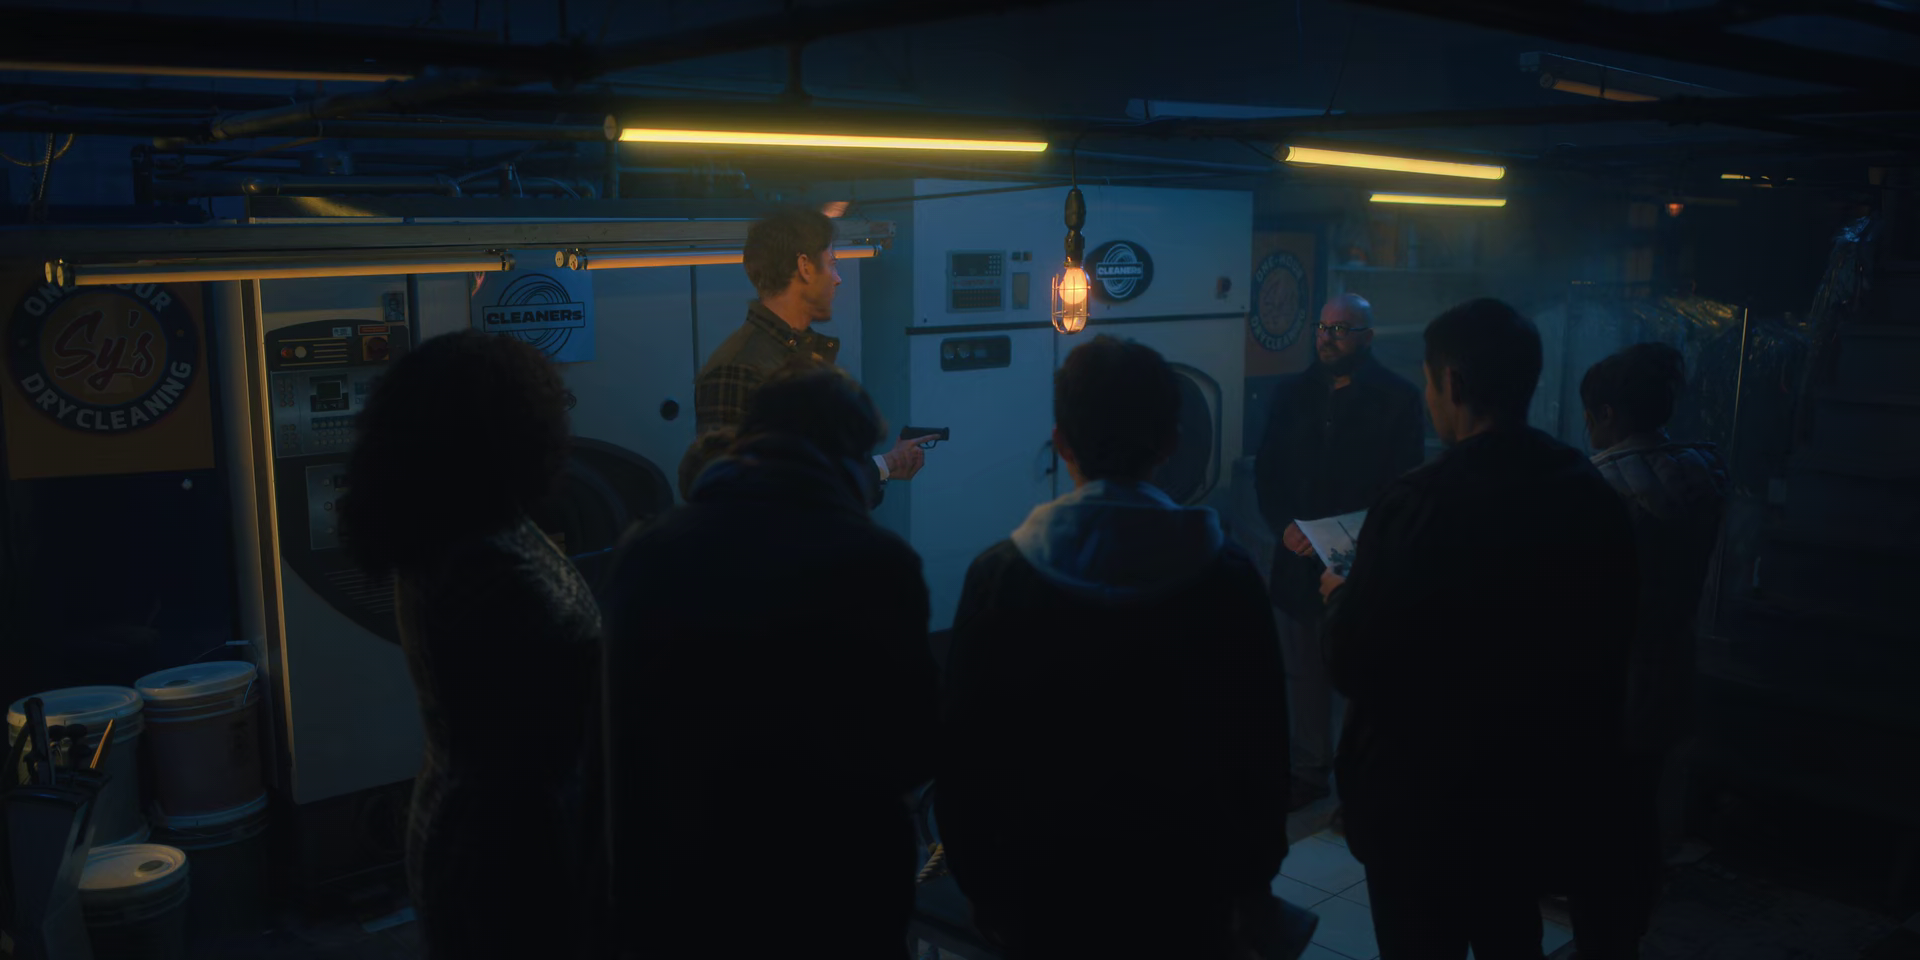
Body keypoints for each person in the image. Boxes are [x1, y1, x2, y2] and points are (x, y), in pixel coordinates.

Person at [939, 336, 1293, 960]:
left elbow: (969, 754)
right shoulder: (1227, 576)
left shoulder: (1001, 575)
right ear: (1170, 445)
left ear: (1062, 443)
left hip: (1041, 896)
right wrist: (1252, 886)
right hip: (1187, 895)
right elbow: (1258, 747)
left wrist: (984, 886)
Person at [1318, 299, 1640, 960]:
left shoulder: (1419, 502)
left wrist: (1341, 597)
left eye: (1432, 383)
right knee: (1509, 938)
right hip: (1535, 796)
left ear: (1453, 386)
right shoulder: (1586, 488)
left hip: (1422, 805)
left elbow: (1354, 660)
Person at [601, 360, 939, 959]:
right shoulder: (876, 564)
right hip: (832, 899)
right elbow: (910, 750)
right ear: (846, 462)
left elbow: (617, 740)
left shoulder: (649, 554)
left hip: (683, 888)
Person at [337, 330, 603, 959]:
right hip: (509, 860)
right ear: (502, 430)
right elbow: (538, 721)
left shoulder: (470, 520)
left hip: (488, 835)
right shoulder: (480, 563)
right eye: (546, 406)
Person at [1578, 342, 1729, 946]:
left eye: (1590, 415)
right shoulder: (1703, 469)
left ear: (1608, 414)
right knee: (1644, 812)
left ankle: (1600, 931)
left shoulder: (1600, 486)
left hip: (1611, 676)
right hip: (1673, 661)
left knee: (1598, 821)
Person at [1254, 293, 1425, 811]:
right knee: (1303, 670)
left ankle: (1362, 782)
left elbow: (1401, 482)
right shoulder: (1293, 393)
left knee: (1360, 672)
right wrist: (1285, 527)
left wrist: (1358, 536)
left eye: (1342, 329)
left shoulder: (1396, 399)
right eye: (1323, 328)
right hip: (1299, 556)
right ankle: (1309, 768)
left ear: (1367, 337)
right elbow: (1269, 470)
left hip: (1360, 558)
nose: (1328, 338)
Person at [687, 205, 935, 506]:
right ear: (805, 267)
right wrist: (881, 467)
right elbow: (733, 499)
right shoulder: (739, 368)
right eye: (831, 263)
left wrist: (884, 466)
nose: (837, 278)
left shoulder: (800, 358)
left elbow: (813, 476)